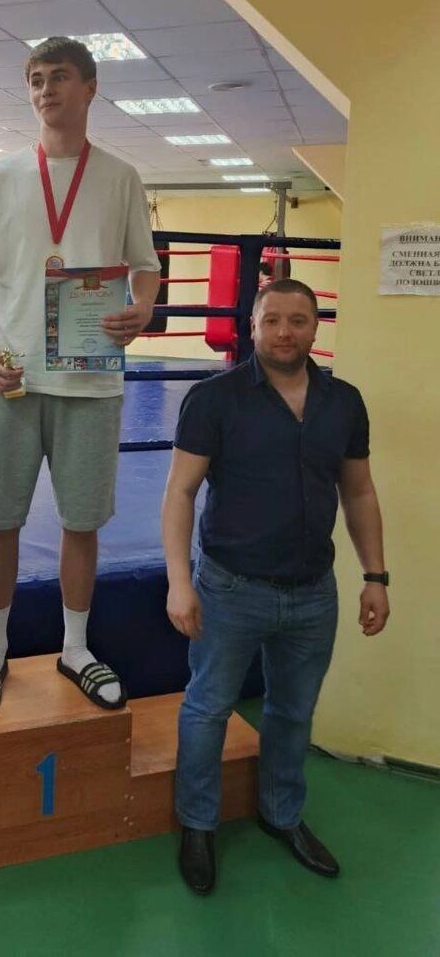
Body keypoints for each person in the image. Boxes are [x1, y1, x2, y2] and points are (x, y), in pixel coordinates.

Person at [161, 278, 390, 894]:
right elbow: (180, 492)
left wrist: (375, 575)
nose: (284, 332)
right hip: (230, 587)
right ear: (253, 327)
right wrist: (179, 581)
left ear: (316, 327)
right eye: (272, 321)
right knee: (208, 708)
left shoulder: (344, 402)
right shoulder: (214, 399)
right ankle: (198, 824)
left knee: (292, 711)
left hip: (313, 591)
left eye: (298, 320)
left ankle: (281, 814)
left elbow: (359, 492)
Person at [0, 36, 161, 714]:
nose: (46, 90)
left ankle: (76, 647)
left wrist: (142, 308)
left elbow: (146, 267)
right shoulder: (1, 176)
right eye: (37, 79)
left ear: (91, 87)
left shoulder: (121, 177)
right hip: (11, 378)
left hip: (90, 381)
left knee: (82, 523)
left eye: (60, 77)